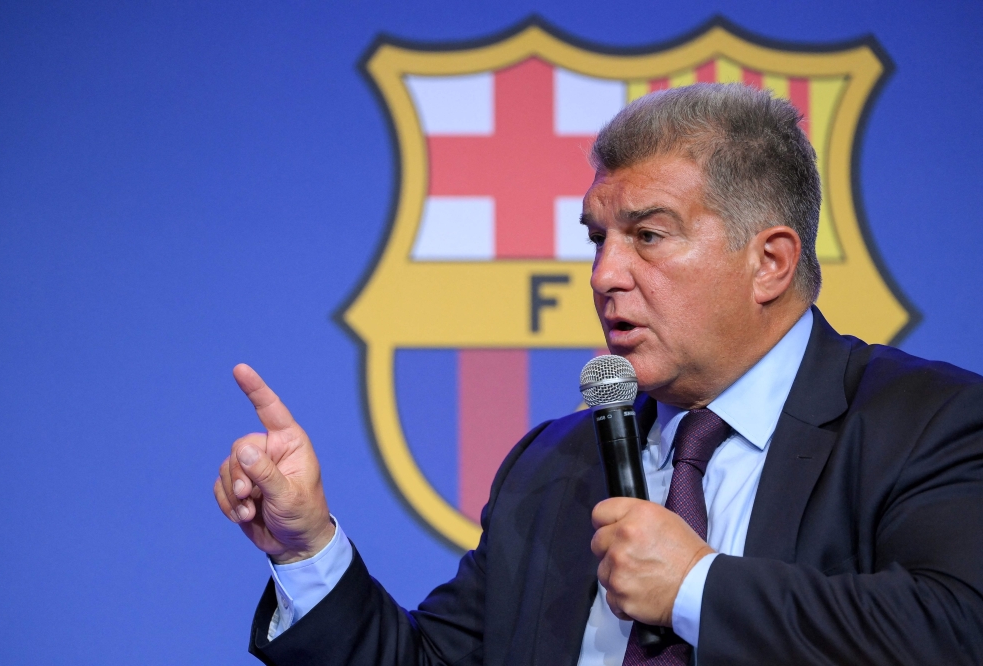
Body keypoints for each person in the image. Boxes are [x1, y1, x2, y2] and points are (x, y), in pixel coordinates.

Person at [213, 83, 983, 665]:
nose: (604, 274)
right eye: (598, 239)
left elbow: (957, 627)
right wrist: (306, 548)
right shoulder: (552, 465)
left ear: (770, 262)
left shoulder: (927, 421)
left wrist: (695, 587)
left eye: (648, 235)